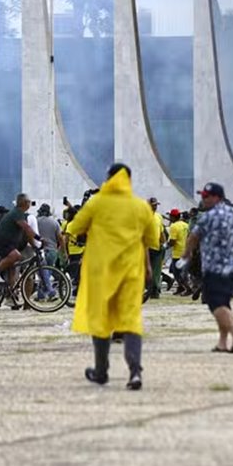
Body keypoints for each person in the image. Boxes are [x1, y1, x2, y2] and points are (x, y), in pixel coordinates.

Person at [67, 164, 159, 390]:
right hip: (131, 273)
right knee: (131, 320)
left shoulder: (96, 203)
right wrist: (147, 266)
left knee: (100, 321)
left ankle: (101, 371)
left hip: (101, 273)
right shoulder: (141, 206)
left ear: (109, 179)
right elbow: (151, 238)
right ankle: (135, 372)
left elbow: (75, 227)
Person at [185, 182, 233, 353]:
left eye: (206, 196)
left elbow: (193, 237)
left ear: (216, 198)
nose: (203, 199)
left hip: (214, 268)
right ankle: (222, 342)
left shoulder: (208, 217)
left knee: (214, 303)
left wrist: (186, 254)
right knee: (224, 303)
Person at [0, 193, 39, 286]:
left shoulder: (20, 214)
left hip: (9, 243)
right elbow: (27, 228)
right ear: (23, 202)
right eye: (29, 202)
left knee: (12, 268)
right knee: (16, 256)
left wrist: (34, 246)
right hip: (0, 241)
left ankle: (10, 290)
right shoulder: (17, 213)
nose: (30, 204)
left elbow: (26, 234)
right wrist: (39, 238)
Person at [34, 203, 63, 302]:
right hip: (52, 251)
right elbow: (60, 238)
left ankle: (45, 293)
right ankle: (44, 294)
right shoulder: (54, 222)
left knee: (42, 274)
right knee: (47, 273)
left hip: (40, 250)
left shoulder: (36, 221)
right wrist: (62, 250)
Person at [145, 197, 166, 300]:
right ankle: (146, 290)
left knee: (156, 272)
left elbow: (161, 231)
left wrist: (164, 243)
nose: (155, 207)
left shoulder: (158, 216)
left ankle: (155, 291)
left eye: (156, 205)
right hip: (145, 248)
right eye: (153, 205)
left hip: (157, 248)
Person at [166, 209, 190, 294]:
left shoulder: (174, 226)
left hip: (178, 253)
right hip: (186, 251)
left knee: (177, 273)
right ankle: (181, 288)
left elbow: (172, 241)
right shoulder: (186, 225)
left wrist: (166, 246)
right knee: (180, 271)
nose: (169, 218)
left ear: (173, 217)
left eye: (170, 216)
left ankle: (187, 288)